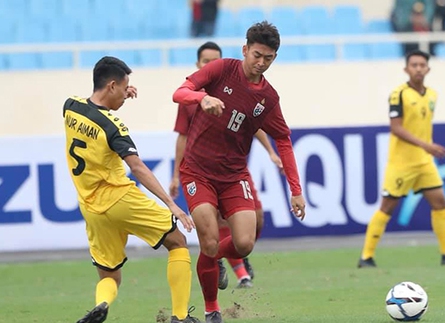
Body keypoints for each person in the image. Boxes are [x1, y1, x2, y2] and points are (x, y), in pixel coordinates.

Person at [172, 21, 306, 323]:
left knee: (244, 242)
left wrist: (295, 190)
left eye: (268, 58)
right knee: (208, 241)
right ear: (245, 49)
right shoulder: (221, 69)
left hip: (234, 175)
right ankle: (212, 309)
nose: (261, 63)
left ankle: (213, 259)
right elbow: (180, 92)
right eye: (257, 55)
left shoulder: (268, 98)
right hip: (198, 171)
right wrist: (201, 98)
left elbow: (283, 138)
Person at [64, 56, 200, 323]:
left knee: (110, 274)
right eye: (124, 88)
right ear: (112, 85)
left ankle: (102, 304)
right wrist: (171, 204)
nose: (126, 95)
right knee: (177, 242)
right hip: (119, 198)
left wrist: (119, 95)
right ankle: (181, 317)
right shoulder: (115, 128)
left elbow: (96, 112)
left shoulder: (69, 107)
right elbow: (137, 167)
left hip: (90, 208)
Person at [169, 41, 283, 290]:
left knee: (256, 220)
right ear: (198, 65)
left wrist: (271, 153)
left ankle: (227, 256)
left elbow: (255, 126)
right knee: (215, 226)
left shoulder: (235, 83)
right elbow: (183, 137)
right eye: (205, 62)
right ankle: (234, 271)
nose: (211, 65)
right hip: (202, 169)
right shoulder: (193, 97)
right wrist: (176, 174)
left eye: (214, 61)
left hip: (233, 169)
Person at [357, 50, 445, 269]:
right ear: (406, 69)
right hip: (401, 163)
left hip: (424, 162)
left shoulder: (432, 95)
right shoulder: (398, 94)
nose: (418, 68)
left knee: (440, 202)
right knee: (387, 207)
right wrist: (427, 146)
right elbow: (396, 128)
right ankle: (366, 257)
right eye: (414, 65)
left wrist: (426, 149)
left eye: (422, 65)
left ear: (428, 69)